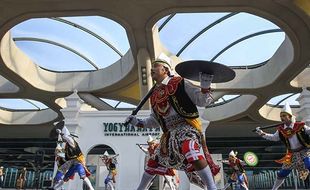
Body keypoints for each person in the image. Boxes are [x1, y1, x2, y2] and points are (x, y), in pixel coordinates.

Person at [125, 56, 218, 190]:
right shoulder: (154, 95)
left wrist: (205, 87)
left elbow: (201, 101)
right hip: (168, 135)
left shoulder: (179, 83)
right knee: (153, 161)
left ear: (166, 70)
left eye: (155, 67)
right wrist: (136, 122)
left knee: (190, 149)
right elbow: (154, 121)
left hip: (186, 128)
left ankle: (211, 187)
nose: (151, 70)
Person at [256, 102, 310, 190]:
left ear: (290, 116)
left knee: (309, 164)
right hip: (291, 154)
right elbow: (274, 138)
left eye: (284, 116)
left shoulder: (300, 126)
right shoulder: (281, 130)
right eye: (281, 117)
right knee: (282, 173)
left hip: (304, 151)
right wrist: (262, 134)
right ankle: (274, 189)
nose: (282, 118)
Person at [53, 126, 94, 190]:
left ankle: (91, 188)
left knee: (82, 175)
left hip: (78, 161)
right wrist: (58, 148)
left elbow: (67, 138)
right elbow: (60, 148)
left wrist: (61, 133)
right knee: (63, 176)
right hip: (70, 162)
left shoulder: (72, 142)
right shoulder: (67, 146)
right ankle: (55, 188)